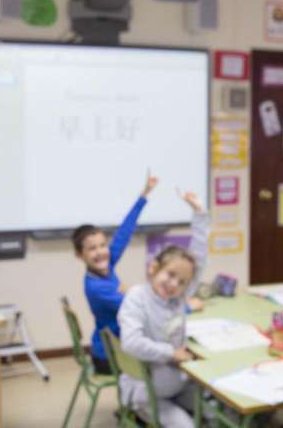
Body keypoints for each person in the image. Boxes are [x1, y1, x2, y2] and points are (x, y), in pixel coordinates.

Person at [116, 189, 209, 428]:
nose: (174, 284)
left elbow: (198, 262)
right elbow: (131, 342)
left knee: (216, 412)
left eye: (182, 282)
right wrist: (171, 353)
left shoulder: (178, 297)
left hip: (176, 386)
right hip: (146, 394)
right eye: (170, 274)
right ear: (153, 268)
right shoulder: (137, 297)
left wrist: (199, 213)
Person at [74, 171, 158, 375]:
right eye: (92, 248)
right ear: (80, 255)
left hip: (117, 346)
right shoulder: (96, 287)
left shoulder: (105, 267)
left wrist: (144, 195)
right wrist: (131, 292)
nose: (101, 252)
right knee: (164, 364)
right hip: (109, 356)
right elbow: (137, 309)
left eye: (103, 245)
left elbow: (123, 233)